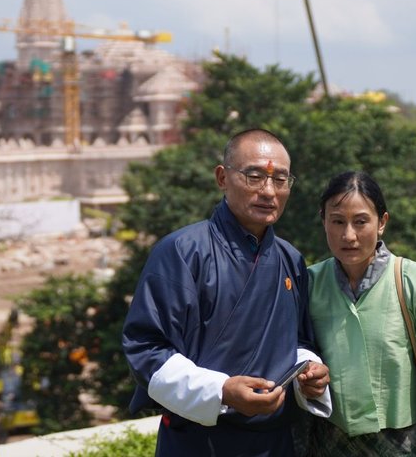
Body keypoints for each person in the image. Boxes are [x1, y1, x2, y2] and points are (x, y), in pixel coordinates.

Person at [122, 129, 332, 457]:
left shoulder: (290, 259)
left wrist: (309, 369)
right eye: (254, 176)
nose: (269, 191)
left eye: (280, 179)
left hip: (275, 442)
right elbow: (146, 348)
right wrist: (221, 390)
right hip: (199, 441)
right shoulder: (182, 251)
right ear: (222, 177)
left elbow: (298, 340)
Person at [307, 171, 416, 456]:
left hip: (401, 445)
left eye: (361, 221)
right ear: (323, 221)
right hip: (329, 444)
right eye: (337, 221)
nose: (348, 235)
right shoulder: (309, 283)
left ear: (382, 222)